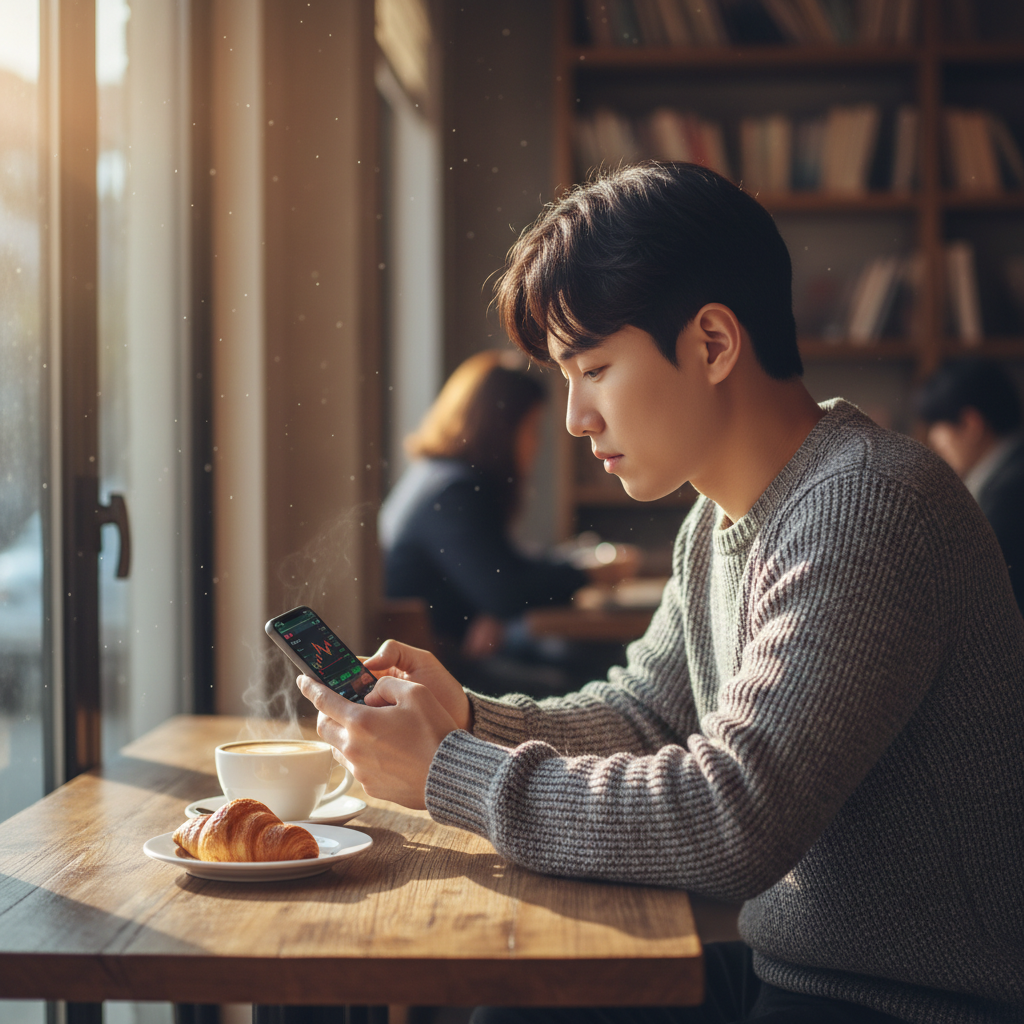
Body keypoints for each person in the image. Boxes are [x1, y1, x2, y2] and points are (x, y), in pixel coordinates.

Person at [300, 164, 1024, 1022]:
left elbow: (732, 819)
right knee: (515, 1006)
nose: (575, 418)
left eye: (595, 367)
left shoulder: (868, 506)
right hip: (790, 972)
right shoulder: (718, 521)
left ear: (713, 344)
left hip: (915, 1002)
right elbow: (648, 715)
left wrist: (449, 771)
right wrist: (466, 720)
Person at [379, 349, 634, 665]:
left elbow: (499, 572)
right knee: (600, 660)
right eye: (532, 429)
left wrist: (488, 610)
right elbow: (507, 591)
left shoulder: (435, 477)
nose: (536, 445)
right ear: (500, 429)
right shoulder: (453, 491)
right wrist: (589, 573)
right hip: (442, 664)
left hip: (450, 649)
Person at [916, 357, 1024, 613]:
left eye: (938, 425)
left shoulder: (1008, 493)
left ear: (971, 424)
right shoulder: (1006, 475)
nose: (934, 440)